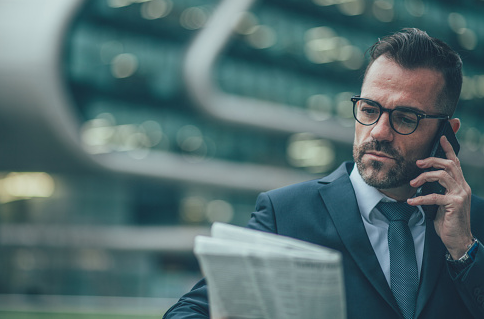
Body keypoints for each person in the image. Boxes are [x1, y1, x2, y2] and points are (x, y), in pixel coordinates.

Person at [163, 28, 484, 319]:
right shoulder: (287, 214)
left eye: (405, 118)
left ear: (446, 131)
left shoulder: (473, 224)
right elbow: (188, 311)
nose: (380, 132)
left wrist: (464, 252)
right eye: (370, 110)